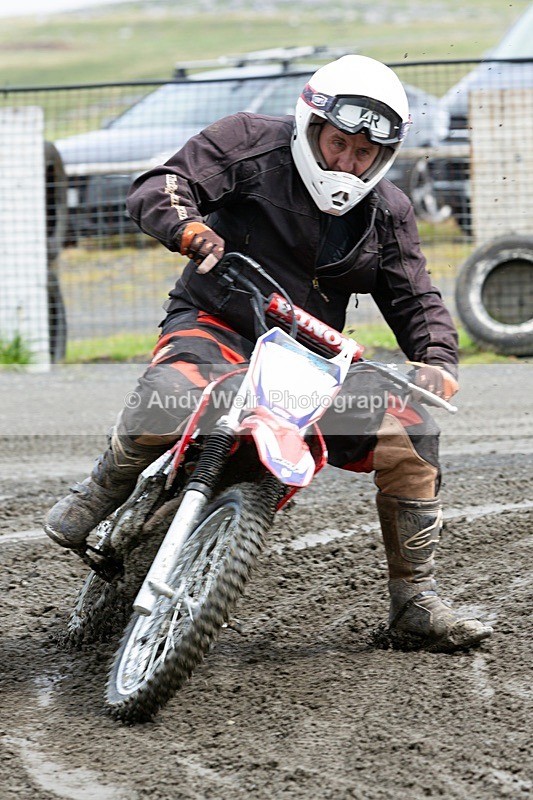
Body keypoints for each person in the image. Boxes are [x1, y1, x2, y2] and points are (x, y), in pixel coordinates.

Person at [45, 54, 492, 651]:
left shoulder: (388, 211)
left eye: (364, 154)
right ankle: (102, 488)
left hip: (311, 360)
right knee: (172, 391)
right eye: (339, 144)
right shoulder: (247, 141)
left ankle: (415, 601)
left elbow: (414, 294)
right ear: (312, 124)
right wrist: (188, 228)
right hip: (219, 321)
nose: (347, 162)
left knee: (411, 436)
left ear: (383, 156)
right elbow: (162, 185)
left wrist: (437, 358)